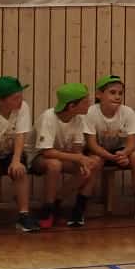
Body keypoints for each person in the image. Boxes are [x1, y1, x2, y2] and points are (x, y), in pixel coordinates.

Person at [84, 75, 135, 224]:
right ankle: (80, 208)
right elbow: (91, 144)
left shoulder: (127, 112)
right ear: (99, 94)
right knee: (94, 161)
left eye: (120, 93)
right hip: (99, 152)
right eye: (112, 92)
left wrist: (124, 153)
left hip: (120, 152)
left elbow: (132, 143)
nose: (117, 96)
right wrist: (110, 157)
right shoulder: (91, 112)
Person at [0, 76, 37, 233]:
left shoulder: (22, 107)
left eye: (21, 96)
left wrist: (16, 160)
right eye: (15, 98)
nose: (20, 100)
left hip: (11, 152)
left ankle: (24, 215)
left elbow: (20, 135)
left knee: (20, 171)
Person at [35, 82, 99, 228]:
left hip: (63, 156)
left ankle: (57, 203)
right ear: (71, 106)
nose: (90, 104)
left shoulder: (78, 118)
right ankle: (47, 210)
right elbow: (47, 152)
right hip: (38, 158)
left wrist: (82, 161)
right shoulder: (49, 117)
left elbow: (77, 148)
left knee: (91, 164)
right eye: (85, 102)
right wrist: (78, 158)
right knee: (54, 164)